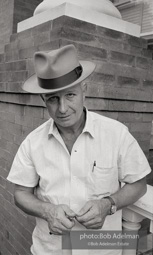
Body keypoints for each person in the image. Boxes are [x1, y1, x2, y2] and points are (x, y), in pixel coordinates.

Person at [7, 44, 151, 255]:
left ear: (84, 89)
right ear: (43, 100)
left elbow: (139, 184)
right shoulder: (32, 142)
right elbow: (20, 193)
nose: (63, 109)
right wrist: (47, 211)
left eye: (70, 95)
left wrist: (108, 204)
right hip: (49, 249)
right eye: (53, 99)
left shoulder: (116, 134)